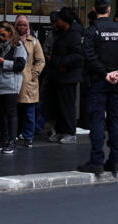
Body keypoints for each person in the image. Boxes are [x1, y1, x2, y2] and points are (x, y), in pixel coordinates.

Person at [79, 0, 118, 174]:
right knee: (114, 120)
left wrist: (104, 73)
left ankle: (97, 161)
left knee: (97, 120)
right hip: (114, 81)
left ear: (94, 9)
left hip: (98, 81)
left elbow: (89, 56)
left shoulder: (91, 31)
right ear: (109, 9)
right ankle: (115, 160)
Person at [0, 21, 27, 154]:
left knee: (11, 112)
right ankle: (4, 138)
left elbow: (20, 65)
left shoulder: (18, 45)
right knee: (0, 113)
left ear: (10, 33)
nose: (1, 38)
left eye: (3, 35)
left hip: (10, 84)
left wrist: (4, 62)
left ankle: (12, 141)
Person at [48, 8, 84, 144]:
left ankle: (70, 132)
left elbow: (78, 55)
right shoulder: (62, 33)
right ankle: (60, 130)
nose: (55, 23)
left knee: (67, 105)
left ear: (64, 21)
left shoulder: (74, 35)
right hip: (59, 74)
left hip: (68, 75)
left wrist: (62, 63)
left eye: (58, 20)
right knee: (59, 105)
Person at [14, 14, 46, 148]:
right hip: (12, 80)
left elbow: (41, 60)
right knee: (14, 111)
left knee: (29, 112)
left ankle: (28, 136)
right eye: (19, 24)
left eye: (24, 25)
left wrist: (33, 74)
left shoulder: (33, 41)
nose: (21, 27)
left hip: (28, 82)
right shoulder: (11, 39)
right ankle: (14, 134)